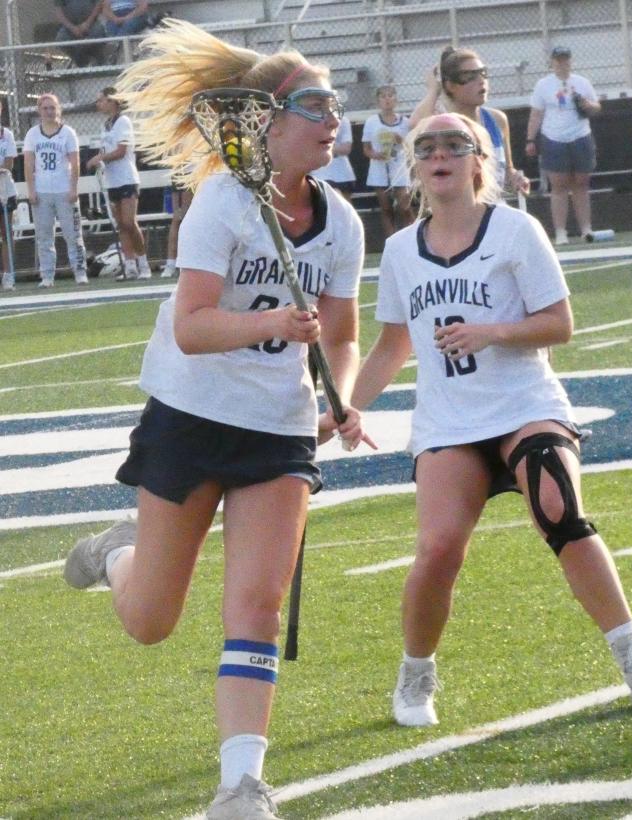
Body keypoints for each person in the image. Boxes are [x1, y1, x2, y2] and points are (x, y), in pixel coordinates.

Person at [61, 19, 368, 818]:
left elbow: (341, 331)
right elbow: (195, 327)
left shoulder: (342, 221)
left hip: (279, 427)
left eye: (337, 102)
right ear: (264, 118)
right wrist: (271, 325)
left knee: (256, 607)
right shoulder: (222, 205)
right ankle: (118, 554)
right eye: (315, 103)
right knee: (151, 620)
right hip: (191, 416)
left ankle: (240, 786)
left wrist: (343, 396)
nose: (334, 116)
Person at [348, 111, 632, 728]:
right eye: (427, 147)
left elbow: (559, 324)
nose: (440, 154)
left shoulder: (517, 230)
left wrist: (493, 332)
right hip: (449, 423)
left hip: (524, 405)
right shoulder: (399, 249)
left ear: (481, 162)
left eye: (456, 144)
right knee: (438, 549)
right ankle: (416, 674)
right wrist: (350, 406)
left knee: (560, 509)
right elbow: (392, 345)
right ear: (415, 167)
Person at [409, 46, 530, 197]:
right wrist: (434, 90)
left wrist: (516, 178)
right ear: (450, 86)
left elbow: (506, 171)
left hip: (492, 209)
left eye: (483, 73)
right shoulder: (444, 124)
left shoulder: (497, 120)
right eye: (469, 76)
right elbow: (415, 124)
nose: (481, 81)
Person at [525, 46, 600, 244]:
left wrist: (587, 105)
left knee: (581, 183)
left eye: (565, 59)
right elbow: (537, 113)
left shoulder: (582, 82)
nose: (562, 63)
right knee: (558, 185)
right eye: (558, 60)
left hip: (580, 135)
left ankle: (586, 229)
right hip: (554, 138)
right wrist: (530, 139)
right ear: (552, 62)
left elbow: (596, 107)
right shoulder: (543, 85)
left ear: (570, 61)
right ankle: (560, 232)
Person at [86, 86, 151, 281]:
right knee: (121, 225)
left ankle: (144, 264)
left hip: (126, 179)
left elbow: (122, 151)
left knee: (129, 222)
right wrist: (98, 161)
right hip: (112, 180)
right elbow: (106, 150)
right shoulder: (105, 125)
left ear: (113, 101)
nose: (99, 104)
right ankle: (129, 266)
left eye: (102, 100)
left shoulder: (123, 121)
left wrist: (100, 158)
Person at [23, 93, 88, 288]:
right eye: (45, 108)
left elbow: (75, 163)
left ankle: (80, 271)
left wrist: (73, 188)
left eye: (53, 108)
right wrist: (31, 190)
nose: (49, 112)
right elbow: (28, 164)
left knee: (73, 233)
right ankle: (47, 275)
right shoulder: (32, 134)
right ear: (39, 111)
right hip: (42, 191)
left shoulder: (67, 133)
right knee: (44, 235)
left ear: (58, 110)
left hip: (64, 190)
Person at [362, 85, 413, 238]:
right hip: (379, 169)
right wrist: (376, 155)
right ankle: (390, 242)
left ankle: (409, 238)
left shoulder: (405, 122)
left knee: (405, 207)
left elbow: (411, 146)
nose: (387, 99)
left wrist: (401, 140)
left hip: (399, 168)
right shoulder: (372, 121)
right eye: (383, 96)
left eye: (390, 95)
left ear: (396, 99)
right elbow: (366, 148)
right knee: (386, 208)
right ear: (378, 100)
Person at [310, 115, 356, 203]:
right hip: (320, 174)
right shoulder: (309, 119)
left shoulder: (343, 120)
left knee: (345, 209)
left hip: (343, 174)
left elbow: (346, 148)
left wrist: (324, 148)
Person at [53, 0, 107, 67]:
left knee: (98, 32)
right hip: (70, 27)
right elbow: (58, 12)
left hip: (92, 23)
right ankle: (81, 63)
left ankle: (98, 59)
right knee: (61, 39)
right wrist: (72, 28)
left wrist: (87, 23)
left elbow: (98, 4)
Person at [0, 107, 17, 292]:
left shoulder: (7, 134)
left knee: (6, 233)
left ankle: (8, 274)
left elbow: (8, 164)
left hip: (4, 189)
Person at [160, 185, 192, 279]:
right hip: (180, 174)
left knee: (187, 216)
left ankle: (188, 261)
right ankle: (171, 263)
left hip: (194, 176)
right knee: (177, 218)